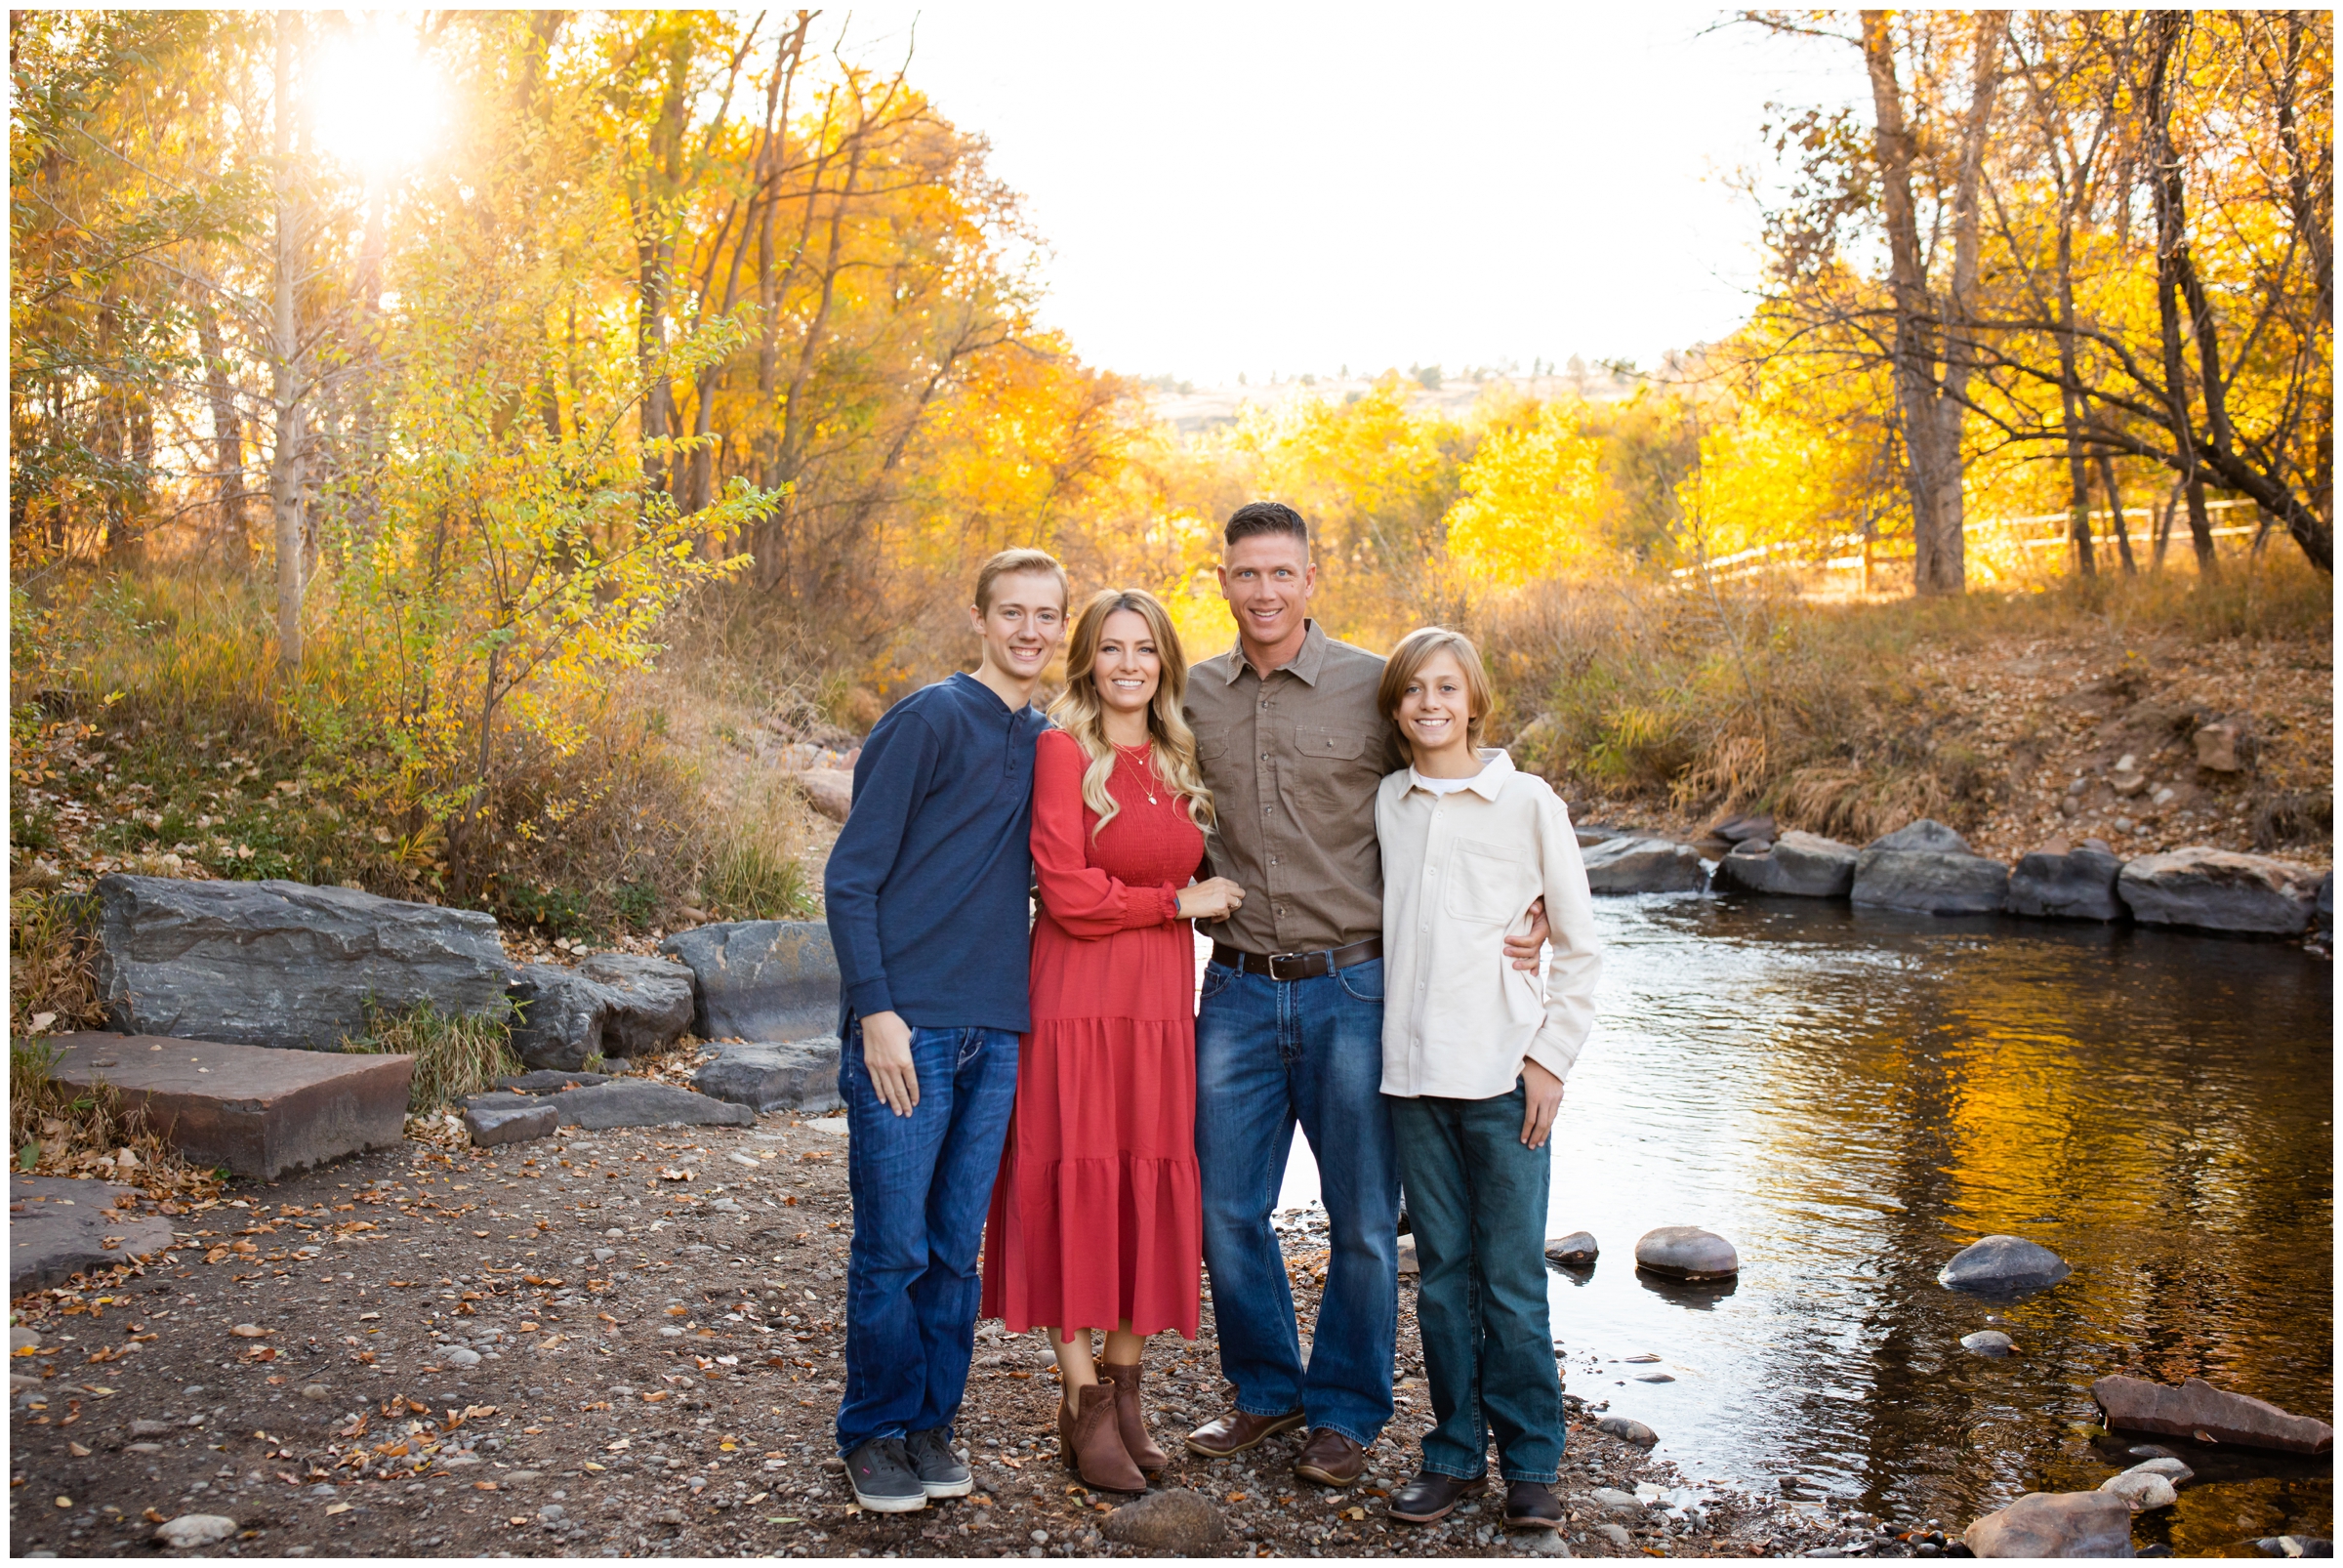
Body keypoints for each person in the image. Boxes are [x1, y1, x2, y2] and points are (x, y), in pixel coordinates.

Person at [1179, 501, 1549, 1490]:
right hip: (1239, 990)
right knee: (1225, 1208)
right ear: (1224, 581)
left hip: (1356, 987)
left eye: (1280, 573)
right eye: (1245, 574)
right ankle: (1265, 1391)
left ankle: (1344, 1412)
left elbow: (1461, 780)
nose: (1263, 591)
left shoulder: (1368, 685)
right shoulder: (1194, 696)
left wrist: (1542, 895)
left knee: (1361, 1221)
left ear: (1312, 579)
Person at [822, 547, 1070, 1514]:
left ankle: (932, 1420)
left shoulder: (1047, 740)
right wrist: (876, 1012)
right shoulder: (927, 718)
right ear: (981, 618)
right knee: (894, 1247)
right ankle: (875, 1431)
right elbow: (852, 875)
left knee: (955, 1245)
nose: (1031, 630)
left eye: (1047, 615)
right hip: (907, 1026)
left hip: (997, 1030)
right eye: (1013, 611)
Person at [981, 588, 1245, 1491]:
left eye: (1145, 649)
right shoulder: (1061, 751)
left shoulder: (1179, 754)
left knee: (1148, 1176)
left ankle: (1128, 1392)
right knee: (1075, 1175)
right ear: (1087, 659)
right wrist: (1176, 904)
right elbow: (1066, 894)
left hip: (1161, 1010)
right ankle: (1083, 1394)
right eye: (1111, 648)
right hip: (1074, 1002)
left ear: (1165, 661)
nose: (1129, 664)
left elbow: (1245, 865)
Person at [1373, 627, 1601, 1533]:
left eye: (1447, 689)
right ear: (1396, 708)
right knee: (1439, 1278)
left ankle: (1533, 1464)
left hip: (1505, 1076)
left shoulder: (1530, 803)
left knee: (1512, 1279)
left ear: (1474, 702)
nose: (1431, 704)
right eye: (1414, 690)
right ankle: (1455, 1454)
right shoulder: (1390, 801)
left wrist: (1550, 1060)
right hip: (1413, 1078)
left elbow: (1581, 944)